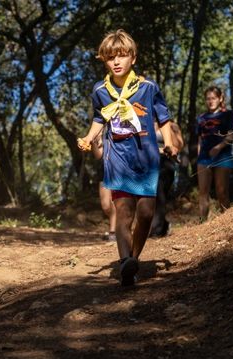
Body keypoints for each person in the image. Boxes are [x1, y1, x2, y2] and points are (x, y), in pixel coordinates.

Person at [78, 29, 178, 286]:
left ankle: (133, 260)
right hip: (117, 159)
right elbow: (100, 118)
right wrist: (89, 139)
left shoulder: (148, 87)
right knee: (123, 212)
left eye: (122, 56)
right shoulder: (100, 90)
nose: (117, 61)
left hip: (146, 158)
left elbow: (163, 118)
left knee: (145, 213)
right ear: (104, 60)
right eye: (111, 57)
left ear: (133, 57)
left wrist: (168, 143)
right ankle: (125, 262)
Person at [197, 86, 233, 222]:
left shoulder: (228, 114)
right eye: (208, 99)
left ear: (220, 98)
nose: (210, 101)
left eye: (213, 98)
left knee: (222, 192)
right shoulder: (201, 118)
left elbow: (232, 136)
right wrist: (199, 155)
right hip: (204, 157)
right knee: (203, 192)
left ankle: (226, 223)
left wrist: (218, 147)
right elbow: (199, 138)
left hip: (223, 156)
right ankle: (202, 222)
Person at [150, 122, 184, 237]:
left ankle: (156, 230)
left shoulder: (172, 125)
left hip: (165, 164)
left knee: (160, 195)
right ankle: (163, 225)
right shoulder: (145, 121)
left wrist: (168, 129)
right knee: (150, 197)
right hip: (149, 164)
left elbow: (178, 146)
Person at [91, 135, 117, 243]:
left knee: (115, 202)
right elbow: (99, 156)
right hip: (104, 172)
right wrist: (93, 143)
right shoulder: (99, 133)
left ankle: (113, 232)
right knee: (106, 206)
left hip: (119, 170)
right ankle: (116, 228)